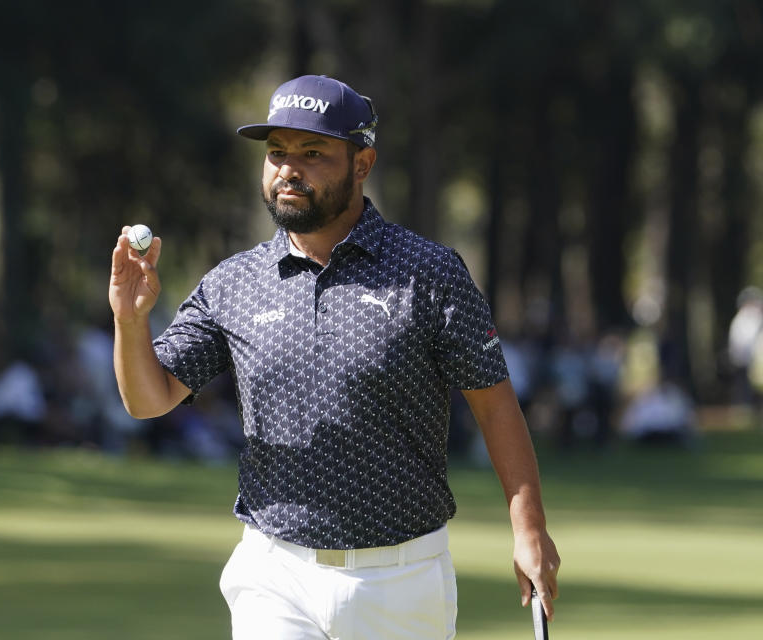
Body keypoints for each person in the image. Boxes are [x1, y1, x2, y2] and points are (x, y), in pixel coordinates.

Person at [109, 75, 560, 639]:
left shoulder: (430, 273)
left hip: (400, 579)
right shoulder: (235, 283)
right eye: (276, 153)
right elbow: (149, 399)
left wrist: (529, 528)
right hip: (275, 574)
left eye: (313, 153)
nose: (288, 169)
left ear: (362, 163)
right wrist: (131, 322)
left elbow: (495, 406)